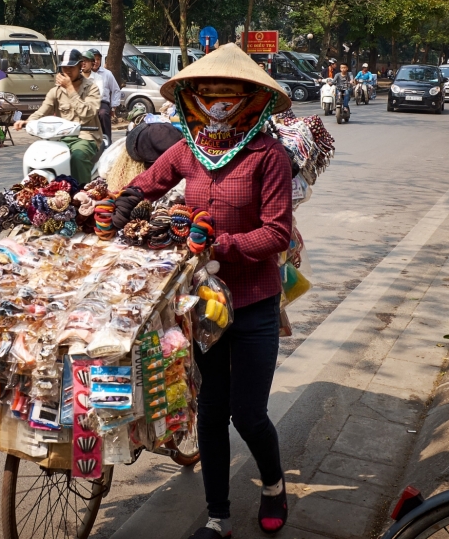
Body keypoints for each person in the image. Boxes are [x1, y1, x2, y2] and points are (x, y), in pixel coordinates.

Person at [128, 43, 293, 539]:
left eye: (229, 94)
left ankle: (273, 484)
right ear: (192, 98)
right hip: (204, 307)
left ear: (251, 98)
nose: (217, 103)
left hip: (254, 303)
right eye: (207, 94)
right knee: (212, 412)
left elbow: (277, 233)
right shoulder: (187, 150)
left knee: (248, 413)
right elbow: (145, 184)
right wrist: (112, 201)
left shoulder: (269, 156)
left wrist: (222, 244)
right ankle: (217, 514)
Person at [13, 48, 101, 184]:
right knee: (39, 155)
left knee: (78, 156)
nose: (67, 71)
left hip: (85, 137)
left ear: (80, 66)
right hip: (59, 138)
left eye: (71, 67)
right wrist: (27, 121)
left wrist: (70, 89)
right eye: (64, 67)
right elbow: (42, 111)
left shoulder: (92, 88)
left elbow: (87, 114)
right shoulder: (55, 91)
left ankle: (82, 194)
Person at [87, 48, 121, 141]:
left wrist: (113, 107)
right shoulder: (83, 74)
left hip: (102, 102)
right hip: (86, 102)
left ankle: (107, 141)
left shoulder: (107, 74)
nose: (96, 61)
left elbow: (116, 90)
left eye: (98, 59)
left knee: (103, 114)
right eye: (94, 59)